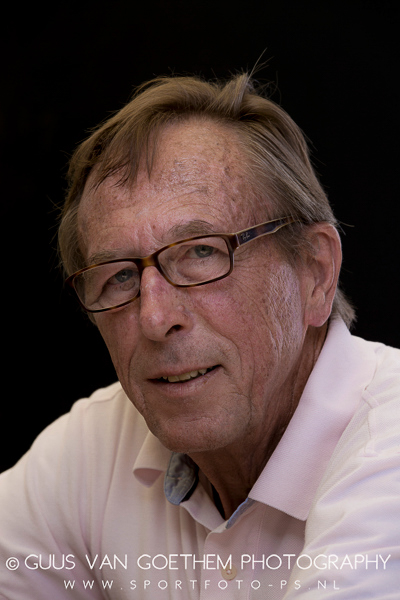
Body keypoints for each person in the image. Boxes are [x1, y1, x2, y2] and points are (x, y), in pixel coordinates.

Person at [1, 72, 399, 600]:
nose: (154, 317)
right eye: (119, 276)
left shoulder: (389, 442)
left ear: (315, 272)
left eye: (201, 252)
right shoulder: (92, 451)